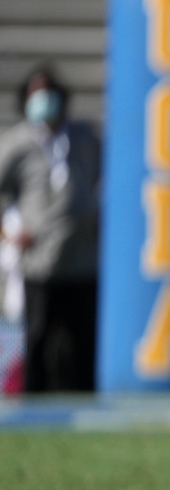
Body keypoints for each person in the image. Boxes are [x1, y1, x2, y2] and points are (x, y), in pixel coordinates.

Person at [0, 65, 101, 392]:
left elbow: (107, 177)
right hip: (41, 263)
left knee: (84, 343)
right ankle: (33, 409)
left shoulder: (84, 137)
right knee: (38, 339)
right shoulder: (16, 144)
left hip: (83, 259)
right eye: (35, 94)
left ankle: (87, 407)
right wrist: (9, 232)